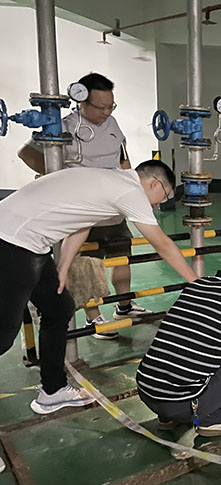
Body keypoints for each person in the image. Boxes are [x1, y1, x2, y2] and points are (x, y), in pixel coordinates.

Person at [0, 160, 199, 414]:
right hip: (13, 241)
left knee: (59, 308)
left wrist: (63, 267)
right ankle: (52, 388)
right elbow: (163, 244)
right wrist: (197, 284)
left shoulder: (111, 180)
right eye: (165, 195)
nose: (160, 204)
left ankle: (52, 390)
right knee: (3, 335)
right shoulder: (131, 191)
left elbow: (82, 224)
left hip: (30, 243)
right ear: (154, 183)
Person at [18, 72, 146, 339]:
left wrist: (131, 187)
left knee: (122, 257)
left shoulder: (112, 123)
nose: (106, 112)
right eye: (100, 107)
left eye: (111, 106)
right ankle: (93, 317)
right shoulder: (64, 126)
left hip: (113, 209)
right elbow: (25, 153)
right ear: (81, 102)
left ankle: (124, 306)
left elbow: (123, 158)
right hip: (83, 211)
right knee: (88, 264)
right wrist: (59, 174)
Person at [136, 250, 221, 439]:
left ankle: (167, 419)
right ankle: (216, 419)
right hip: (183, 403)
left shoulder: (198, 284)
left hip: (147, 390)